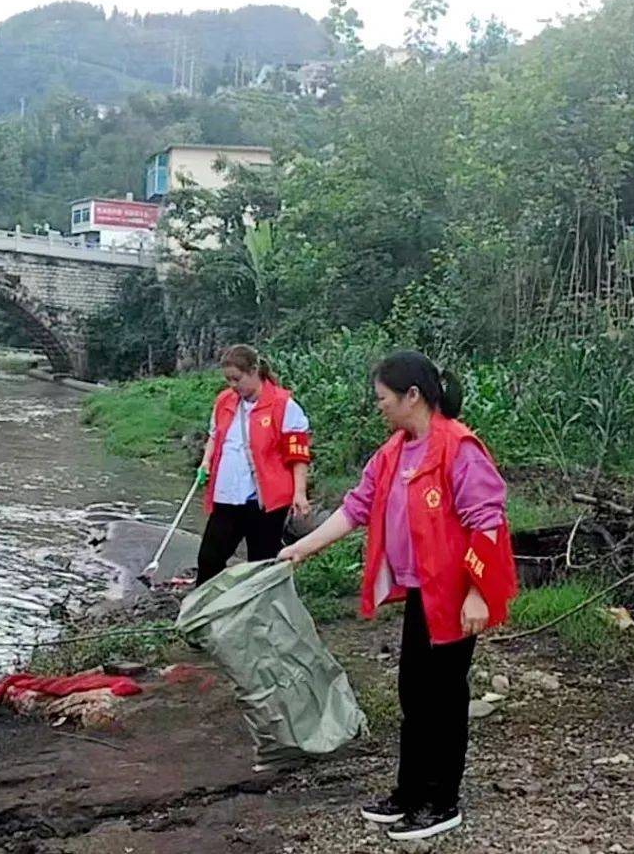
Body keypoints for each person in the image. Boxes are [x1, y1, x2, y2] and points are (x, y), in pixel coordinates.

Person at [279, 351, 516, 842]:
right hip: (421, 592)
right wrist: (300, 550)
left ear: (413, 396)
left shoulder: (458, 448)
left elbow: (487, 524)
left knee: (444, 698)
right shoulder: (393, 451)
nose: (379, 407)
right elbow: (355, 509)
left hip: (454, 594)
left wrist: (476, 595)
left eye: (383, 399)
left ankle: (441, 800)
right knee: (414, 691)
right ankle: (409, 792)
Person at [195, 344, 312, 586]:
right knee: (209, 558)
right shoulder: (225, 401)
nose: (232, 386)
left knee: (260, 563)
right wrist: (206, 462)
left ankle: (258, 614)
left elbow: (297, 453)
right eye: (228, 380)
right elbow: (215, 436)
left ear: (254, 371)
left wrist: (299, 493)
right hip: (226, 495)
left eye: (237, 379)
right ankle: (204, 610)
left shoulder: (283, 405)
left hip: (264, 501)